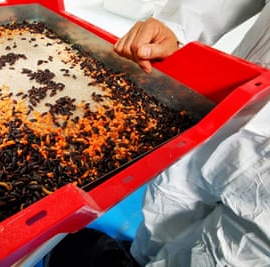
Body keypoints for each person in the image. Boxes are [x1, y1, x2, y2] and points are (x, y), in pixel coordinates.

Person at [46, 0, 270, 266]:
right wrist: (178, 26)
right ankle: (137, 259)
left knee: (231, 252)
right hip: (239, 95)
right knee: (174, 188)